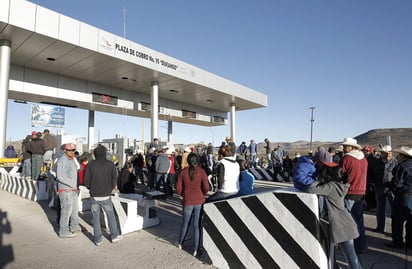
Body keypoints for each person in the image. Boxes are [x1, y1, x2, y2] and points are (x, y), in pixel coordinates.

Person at [293, 153, 362, 269]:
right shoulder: (338, 185)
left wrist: (312, 178)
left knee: (352, 261)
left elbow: (310, 188)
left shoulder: (331, 187)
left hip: (343, 227)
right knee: (339, 258)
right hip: (343, 225)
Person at [84, 145, 122, 246]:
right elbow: (115, 177)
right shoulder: (110, 164)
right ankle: (114, 236)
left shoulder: (90, 165)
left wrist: (90, 188)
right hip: (106, 194)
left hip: (94, 195)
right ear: (105, 154)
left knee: (95, 218)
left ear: (95, 154)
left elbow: (86, 180)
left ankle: (98, 239)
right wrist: (110, 187)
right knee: (111, 216)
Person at [175, 152, 210, 257]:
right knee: (196, 225)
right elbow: (207, 187)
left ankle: (180, 243)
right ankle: (196, 249)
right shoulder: (202, 171)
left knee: (185, 223)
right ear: (197, 160)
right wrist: (202, 194)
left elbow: (178, 188)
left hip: (187, 201)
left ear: (188, 161)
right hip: (199, 200)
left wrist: (184, 194)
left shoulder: (183, 172)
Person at [341, 137, 368, 254]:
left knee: (349, 222)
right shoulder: (364, 159)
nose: (344, 148)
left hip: (350, 192)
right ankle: (361, 246)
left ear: (352, 147)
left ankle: (350, 248)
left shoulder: (346, 159)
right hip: (361, 192)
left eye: (346, 146)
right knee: (359, 220)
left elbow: (340, 174)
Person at [384, 146, 412, 249]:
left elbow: (397, 184)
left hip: (403, 196)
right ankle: (410, 242)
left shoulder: (402, 166)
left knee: (397, 220)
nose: (397, 157)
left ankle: (397, 242)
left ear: (402, 156)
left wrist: (389, 185)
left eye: (399, 155)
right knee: (410, 219)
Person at [368, 145, 397, 233]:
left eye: (390, 153)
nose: (388, 155)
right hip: (379, 187)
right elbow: (370, 173)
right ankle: (380, 228)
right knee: (380, 209)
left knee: (394, 210)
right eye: (386, 153)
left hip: (391, 189)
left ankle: (395, 230)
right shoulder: (375, 162)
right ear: (382, 154)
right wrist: (372, 183)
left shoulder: (395, 162)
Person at [56, 143, 80, 238]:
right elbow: (60, 176)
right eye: (70, 150)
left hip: (72, 189)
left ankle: (74, 226)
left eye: (73, 150)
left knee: (74, 210)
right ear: (65, 150)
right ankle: (63, 231)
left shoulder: (71, 159)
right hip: (66, 190)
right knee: (66, 211)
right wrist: (72, 184)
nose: (72, 152)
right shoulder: (62, 161)